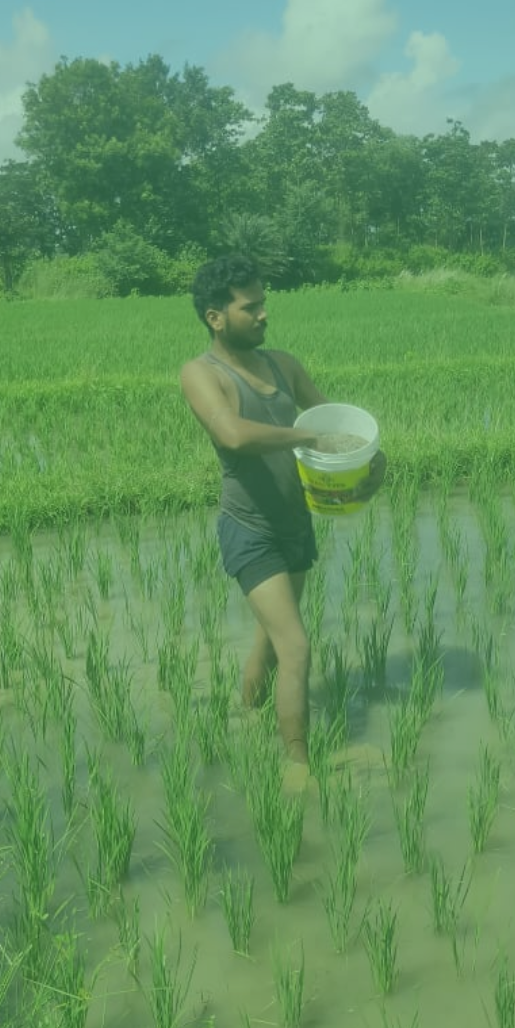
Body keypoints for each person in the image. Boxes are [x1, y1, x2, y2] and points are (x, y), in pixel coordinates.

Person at [180, 254, 386, 792]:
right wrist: (309, 437)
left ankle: (247, 717)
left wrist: (371, 461)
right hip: (250, 528)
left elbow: (337, 425)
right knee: (296, 646)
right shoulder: (202, 374)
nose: (264, 314)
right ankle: (298, 765)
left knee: (272, 643)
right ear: (215, 317)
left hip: (296, 523)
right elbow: (231, 434)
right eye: (250, 307)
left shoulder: (284, 366)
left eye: (264, 303)